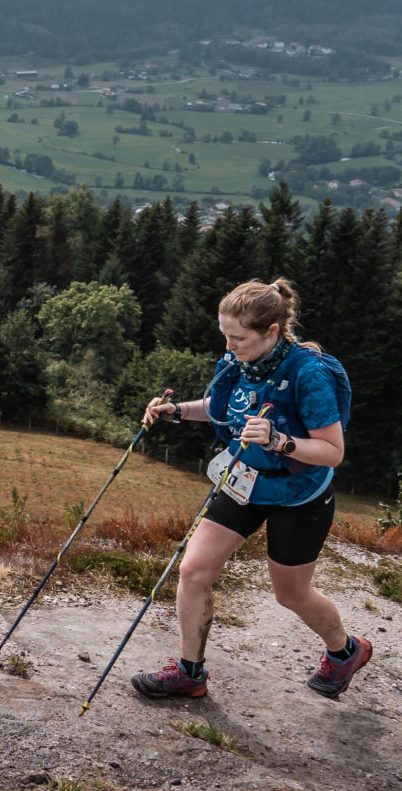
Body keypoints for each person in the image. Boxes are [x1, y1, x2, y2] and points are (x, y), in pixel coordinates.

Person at [131, 278, 371, 702]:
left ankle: (345, 651)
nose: (230, 344)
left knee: (290, 594)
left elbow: (333, 452)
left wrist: (281, 440)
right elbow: (223, 408)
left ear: (272, 332)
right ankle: (190, 673)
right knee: (193, 570)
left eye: (239, 337)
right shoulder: (239, 361)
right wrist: (175, 411)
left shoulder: (308, 374)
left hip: (299, 495)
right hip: (244, 483)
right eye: (225, 334)